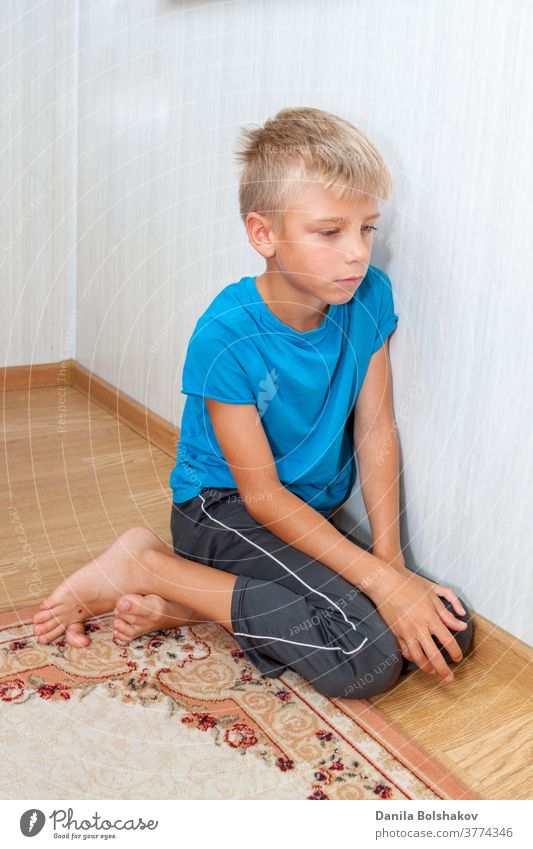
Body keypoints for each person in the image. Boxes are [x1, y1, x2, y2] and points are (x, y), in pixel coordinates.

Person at [33, 107, 473, 700]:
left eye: (367, 229)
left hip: (302, 513)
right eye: (329, 231)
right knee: (363, 658)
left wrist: (391, 567)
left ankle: (190, 603)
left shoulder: (369, 297)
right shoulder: (225, 336)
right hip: (224, 510)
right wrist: (377, 582)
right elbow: (261, 495)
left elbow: (375, 430)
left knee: (451, 630)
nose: (357, 253)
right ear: (263, 234)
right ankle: (152, 565)